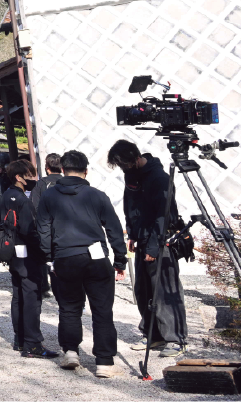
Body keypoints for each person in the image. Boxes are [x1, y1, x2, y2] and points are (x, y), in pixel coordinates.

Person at [36, 150, 128, 378]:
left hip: (64, 257)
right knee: (102, 310)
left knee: (68, 308)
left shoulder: (48, 196)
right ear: (86, 171)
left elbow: (43, 229)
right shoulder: (97, 195)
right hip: (96, 258)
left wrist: (49, 257)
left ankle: (70, 352)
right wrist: (119, 259)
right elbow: (114, 229)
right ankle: (104, 362)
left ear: (62, 170)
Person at [107, 139, 187, 358]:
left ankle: (175, 338)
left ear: (134, 158)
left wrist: (153, 246)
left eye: (124, 164)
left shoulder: (160, 178)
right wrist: (131, 233)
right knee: (143, 290)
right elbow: (129, 206)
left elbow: (163, 216)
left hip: (161, 241)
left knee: (165, 290)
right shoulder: (131, 176)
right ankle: (153, 334)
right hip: (141, 238)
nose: (123, 168)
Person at [0, 159, 59, 359]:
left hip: (13, 253)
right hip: (28, 254)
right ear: (19, 177)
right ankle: (32, 344)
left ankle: (20, 338)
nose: (34, 178)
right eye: (31, 175)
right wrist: (44, 251)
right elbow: (29, 230)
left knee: (18, 296)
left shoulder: (6, 195)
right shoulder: (23, 200)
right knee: (32, 297)